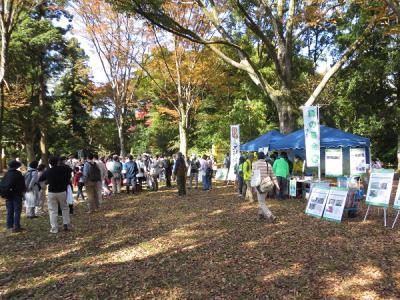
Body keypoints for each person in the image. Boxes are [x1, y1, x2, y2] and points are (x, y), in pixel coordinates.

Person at [39, 156, 72, 233]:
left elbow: (40, 179)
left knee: (53, 210)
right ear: (58, 162)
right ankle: (66, 224)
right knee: (65, 208)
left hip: (52, 192)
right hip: (62, 191)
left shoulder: (48, 171)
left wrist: (48, 181)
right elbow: (70, 171)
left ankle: (54, 228)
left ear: (49, 163)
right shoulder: (64, 169)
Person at [252, 152, 279, 222]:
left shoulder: (254, 164)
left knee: (261, 202)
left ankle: (271, 216)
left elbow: (253, 175)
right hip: (267, 185)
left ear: (257, 157)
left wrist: (253, 185)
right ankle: (260, 215)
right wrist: (277, 185)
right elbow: (273, 176)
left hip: (259, 186)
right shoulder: (268, 165)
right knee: (262, 200)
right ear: (264, 157)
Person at [0, 160, 26, 232]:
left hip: (7, 194)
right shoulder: (18, 173)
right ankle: (16, 226)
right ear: (16, 166)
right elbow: (22, 185)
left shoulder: (7, 173)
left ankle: (9, 225)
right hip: (16, 194)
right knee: (17, 210)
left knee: (10, 210)